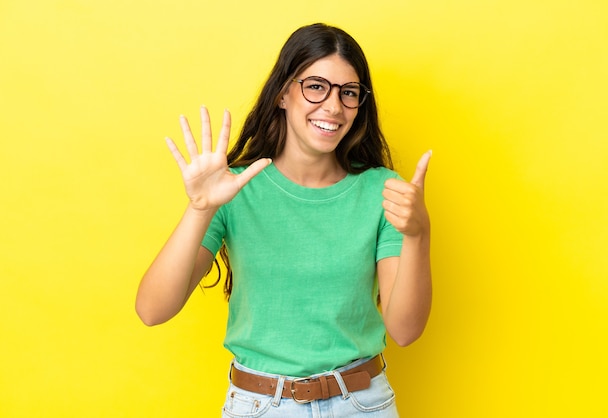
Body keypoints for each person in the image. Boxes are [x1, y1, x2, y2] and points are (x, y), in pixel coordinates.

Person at [136, 22, 432, 417]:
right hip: (260, 405)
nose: (333, 106)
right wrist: (200, 209)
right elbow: (152, 310)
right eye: (316, 86)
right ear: (283, 93)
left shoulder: (383, 192)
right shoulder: (234, 188)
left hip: (362, 404)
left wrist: (418, 233)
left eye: (348, 93)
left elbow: (405, 331)